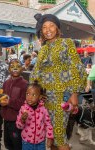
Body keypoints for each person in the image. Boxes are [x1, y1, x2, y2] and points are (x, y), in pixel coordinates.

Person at [30, 13, 87, 150]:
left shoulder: (66, 43)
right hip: (44, 99)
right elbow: (36, 73)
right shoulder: (43, 49)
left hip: (61, 97)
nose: (48, 29)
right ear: (41, 31)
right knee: (49, 136)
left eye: (51, 26)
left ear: (57, 28)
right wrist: (34, 94)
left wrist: (74, 93)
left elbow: (76, 67)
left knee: (59, 135)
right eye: (44, 27)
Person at [16, 80, 53, 150]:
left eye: (33, 95)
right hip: (26, 142)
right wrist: (22, 120)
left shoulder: (43, 109)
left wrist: (50, 137)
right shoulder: (23, 108)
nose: (30, 97)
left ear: (40, 97)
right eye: (28, 94)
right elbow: (18, 126)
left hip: (41, 142)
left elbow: (48, 124)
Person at [0, 59, 28, 150]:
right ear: (8, 69)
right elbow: (3, 98)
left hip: (17, 121)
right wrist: (0, 99)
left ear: (22, 69)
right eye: (12, 66)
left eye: (18, 66)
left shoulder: (25, 85)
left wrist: (9, 102)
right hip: (6, 119)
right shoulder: (6, 83)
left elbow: (24, 103)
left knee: (17, 145)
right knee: (8, 143)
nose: (15, 69)